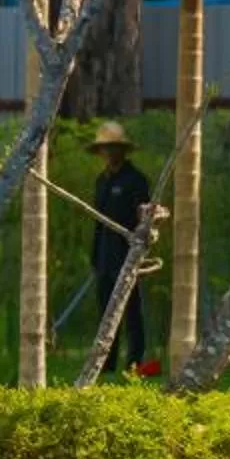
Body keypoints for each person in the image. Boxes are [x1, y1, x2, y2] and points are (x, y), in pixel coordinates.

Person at [88, 122, 153, 372]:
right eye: (105, 148)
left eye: (113, 148)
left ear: (123, 150)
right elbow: (98, 222)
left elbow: (143, 221)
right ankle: (107, 362)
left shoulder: (136, 180)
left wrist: (140, 252)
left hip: (127, 254)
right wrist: (95, 256)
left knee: (131, 310)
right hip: (105, 256)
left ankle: (135, 361)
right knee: (106, 311)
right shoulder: (101, 181)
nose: (109, 153)